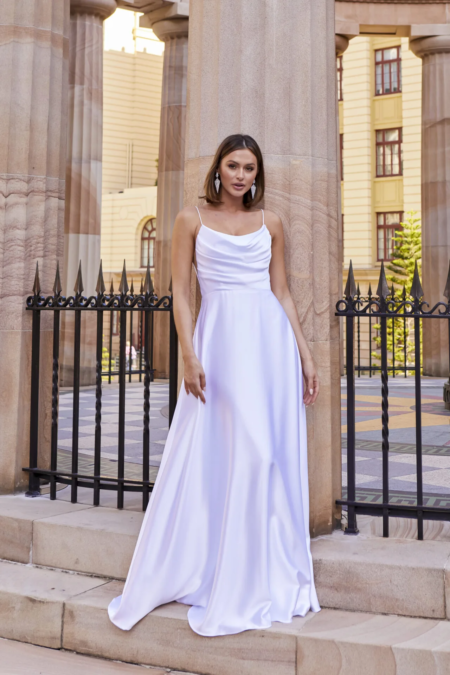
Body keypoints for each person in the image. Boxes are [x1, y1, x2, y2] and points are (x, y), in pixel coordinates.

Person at [108, 134, 321, 637]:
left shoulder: (271, 223)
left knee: (265, 453)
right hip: (220, 342)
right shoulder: (190, 220)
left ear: (256, 174)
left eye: (249, 167)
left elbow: (282, 292)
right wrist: (188, 352)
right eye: (233, 166)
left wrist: (305, 355)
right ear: (219, 170)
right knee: (230, 450)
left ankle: (259, 570)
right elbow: (181, 292)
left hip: (268, 344)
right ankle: (218, 565)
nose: (242, 175)